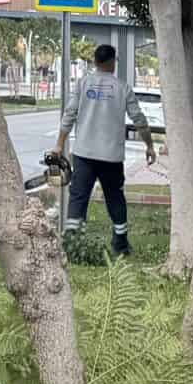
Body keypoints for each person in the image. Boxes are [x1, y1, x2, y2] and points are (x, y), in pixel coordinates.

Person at [54, 42, 155, 257]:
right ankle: (120, 244)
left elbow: (69, 115)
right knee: (115, 198)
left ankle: (72, 244)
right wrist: (149, 145)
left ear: (95, 61)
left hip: (84, 153)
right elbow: (139, 119)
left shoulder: (83, 84)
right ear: (112, 62)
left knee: (78, 197)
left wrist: (59, 145)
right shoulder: (122, 88)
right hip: (111, 156)